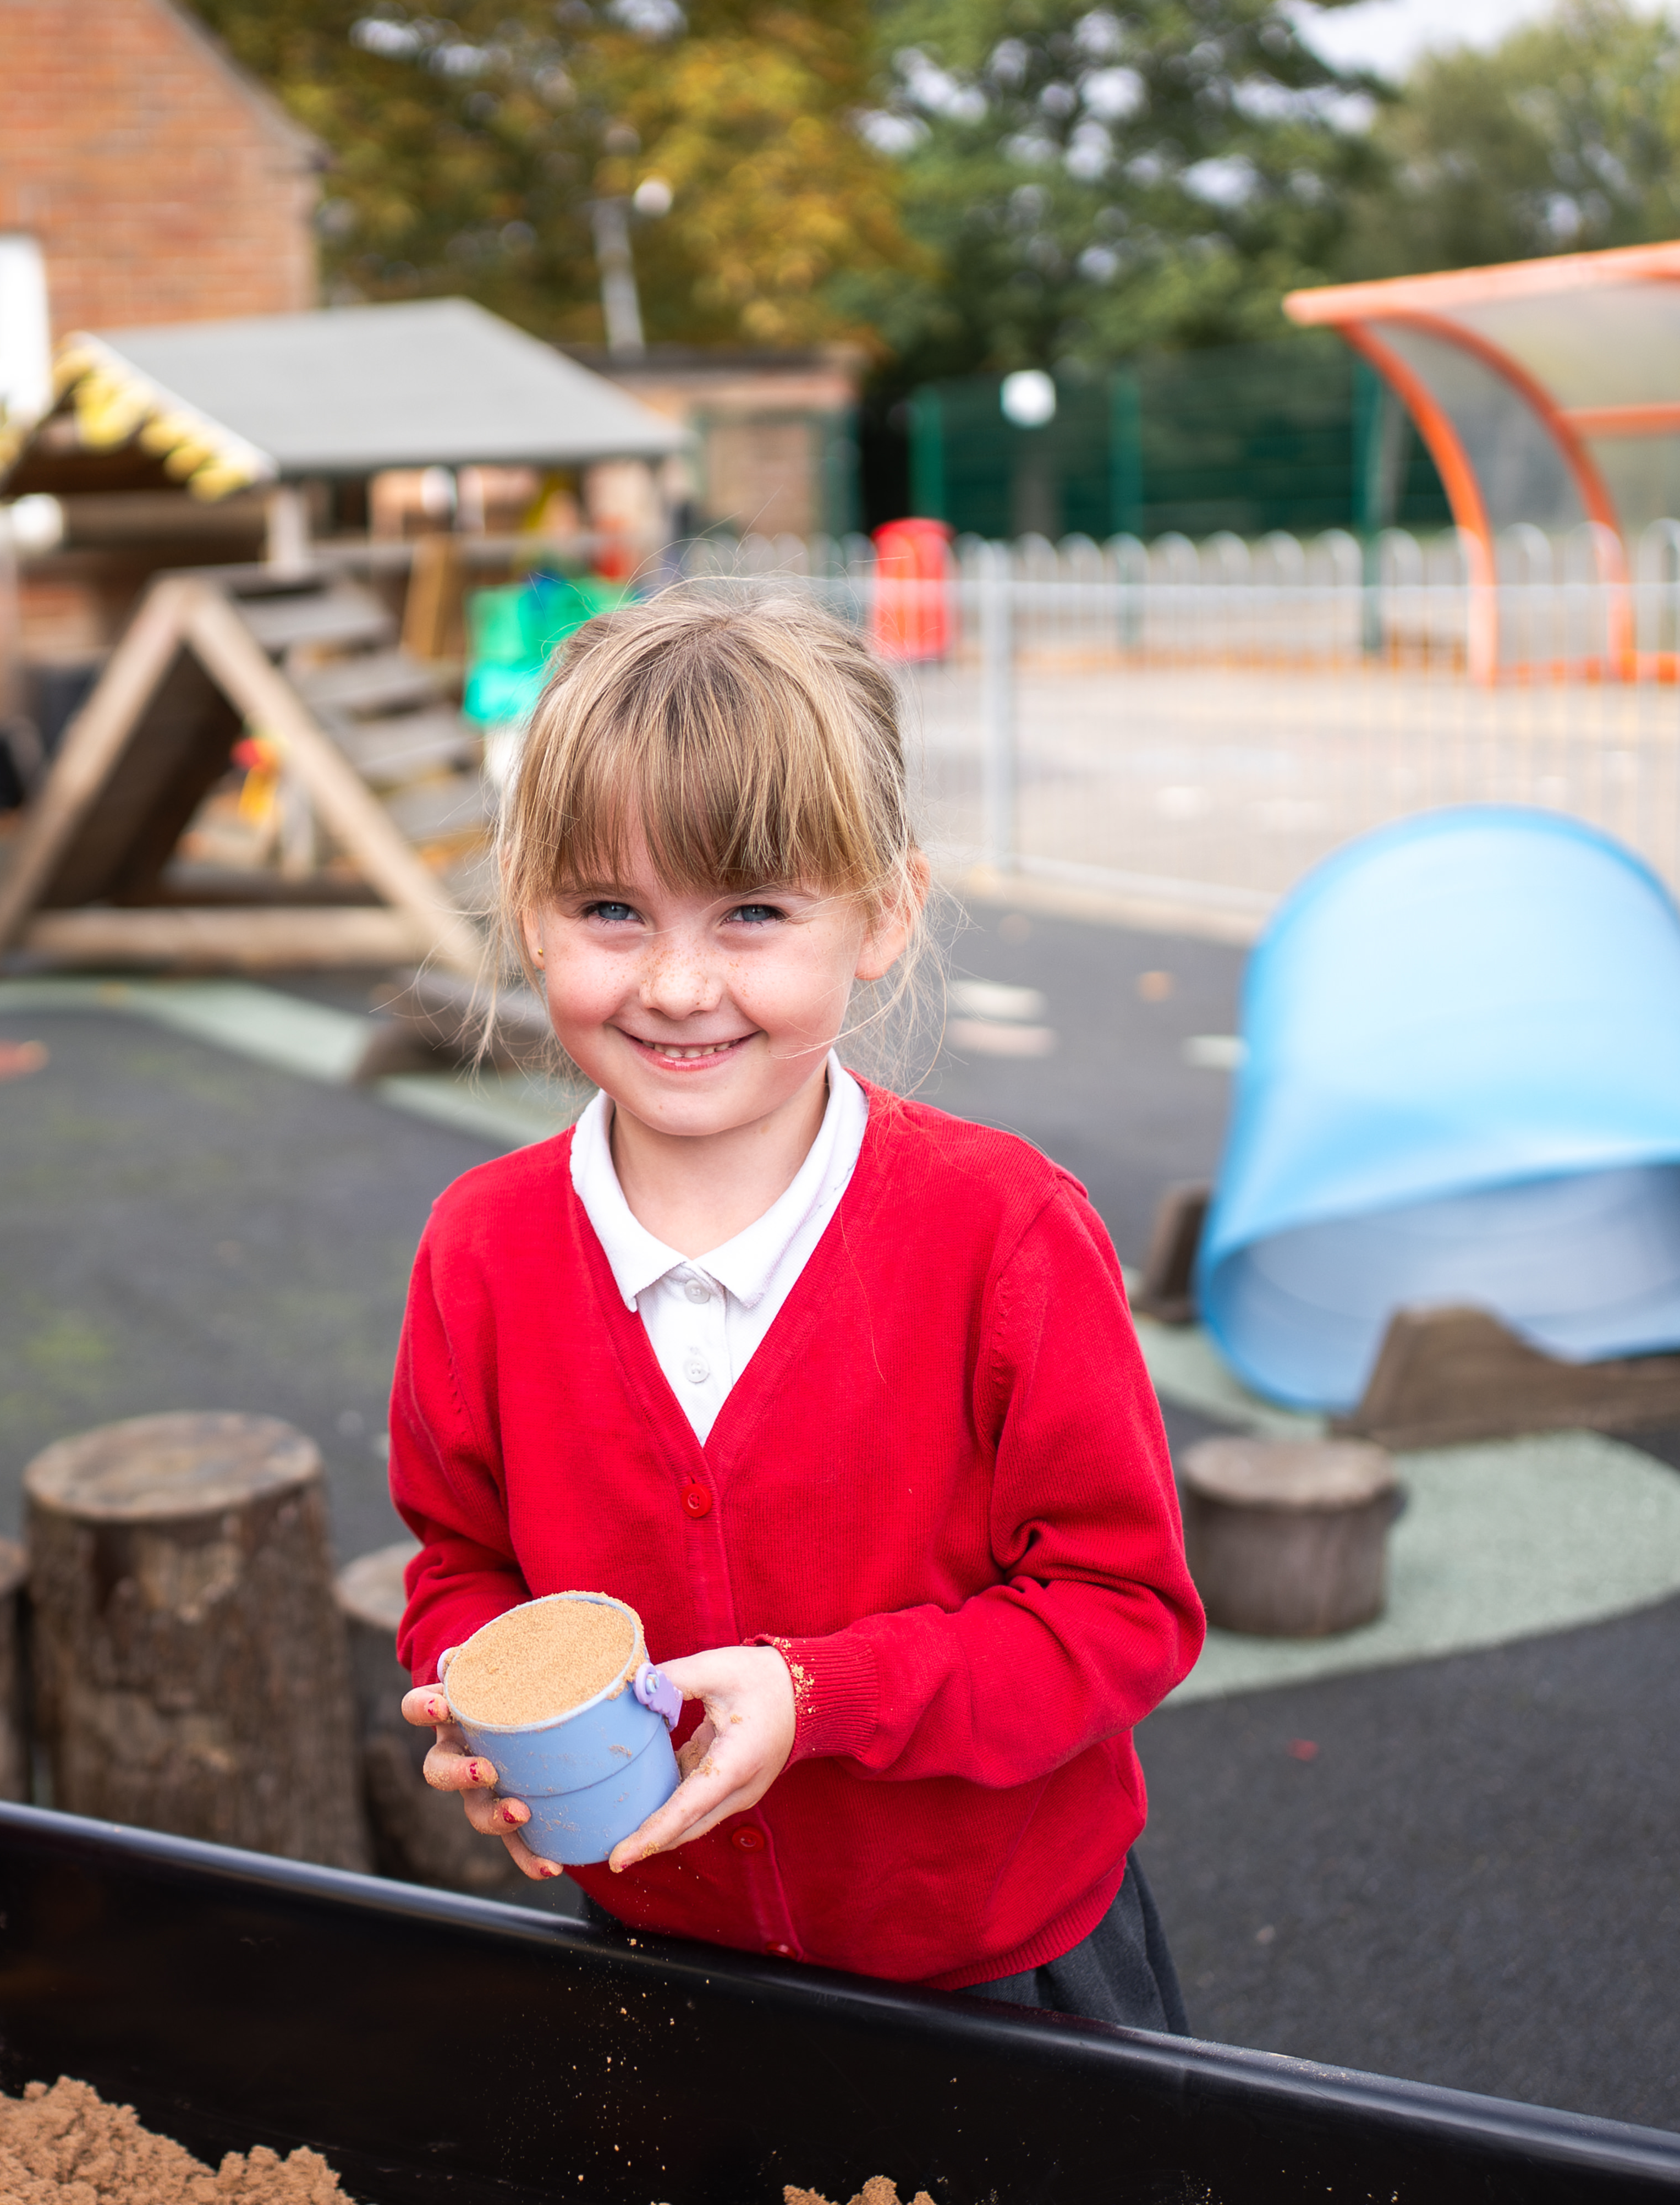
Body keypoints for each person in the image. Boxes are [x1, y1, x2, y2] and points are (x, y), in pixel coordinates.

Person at [387, 590, 1207, 2028]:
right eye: (610, 911)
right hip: (660, 1950)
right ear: (528, 911)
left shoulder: (1003, 1234)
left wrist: (821, 1696)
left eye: (753, 912)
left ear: (883, 914)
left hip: (1010, 1970)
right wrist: (478, 1697)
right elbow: (459, 1558)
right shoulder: (483, 1249)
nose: (681, 982)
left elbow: (1121, 1612)